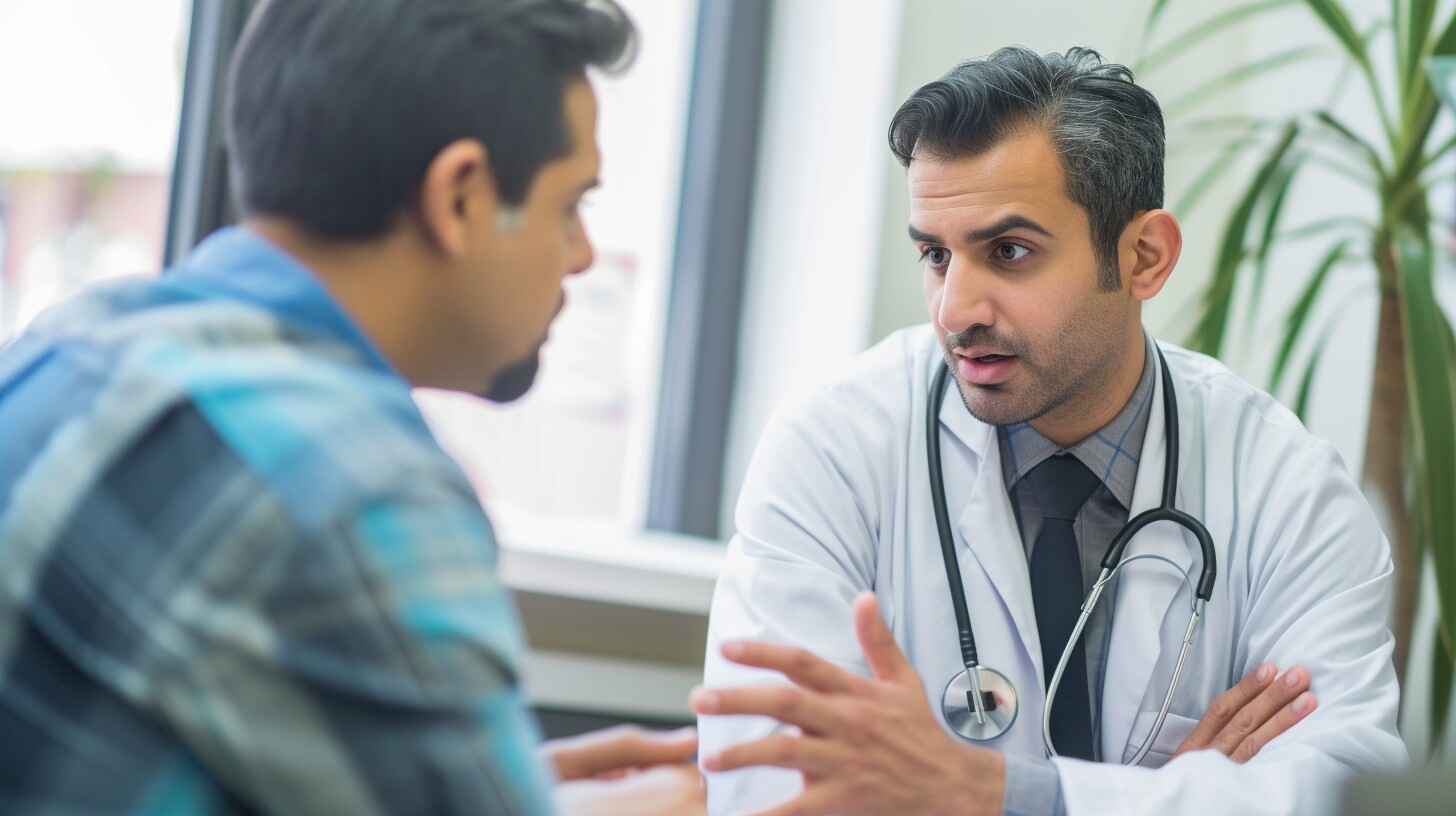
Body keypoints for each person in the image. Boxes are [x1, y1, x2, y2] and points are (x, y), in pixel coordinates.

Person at [0, 1, 702, 813]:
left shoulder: (70, 344)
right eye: (570, 205)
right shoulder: (355, 483)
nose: (581, 257)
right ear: (462, 197)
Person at [694, 47, 1406, 815]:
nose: (954, 310)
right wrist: (1171, 799)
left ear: (1144, 257)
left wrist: (993, 795)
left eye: (1009, 252)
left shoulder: (1287, 490)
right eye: (936, 254)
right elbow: (770, 786)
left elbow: (1344, 791)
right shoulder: (832, 450)